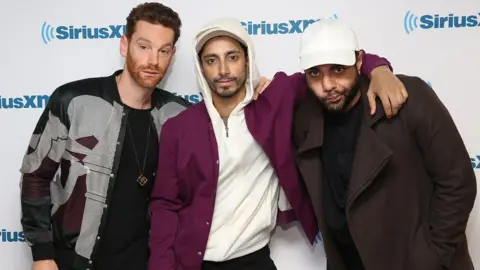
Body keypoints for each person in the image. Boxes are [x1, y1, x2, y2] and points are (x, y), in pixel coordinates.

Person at [148, 18, 407, 270]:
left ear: (247, 60)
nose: (224, 70)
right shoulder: (178, 128)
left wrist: (379, 69)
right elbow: (165, 205)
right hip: (193, 262)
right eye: (211, 60)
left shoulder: (275, 100)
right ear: (201, 67)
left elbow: (333, 65)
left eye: (233, 57)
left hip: (253, 259)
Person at [292, 19, 477, 270]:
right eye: (315, 73)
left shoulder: (409, 96)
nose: (327, 85)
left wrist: (430, 257)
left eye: (337, 69)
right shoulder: (306, 118)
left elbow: (458, 181)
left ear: (359, 62)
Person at [19, 3, 191, 270]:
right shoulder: (74, 100)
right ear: (124, 45)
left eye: (163, 51)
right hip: (74, 261)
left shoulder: (178, 115)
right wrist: (42, 254)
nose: (153, 60)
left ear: (172, 56)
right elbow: (35, 176)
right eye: (144, 46)